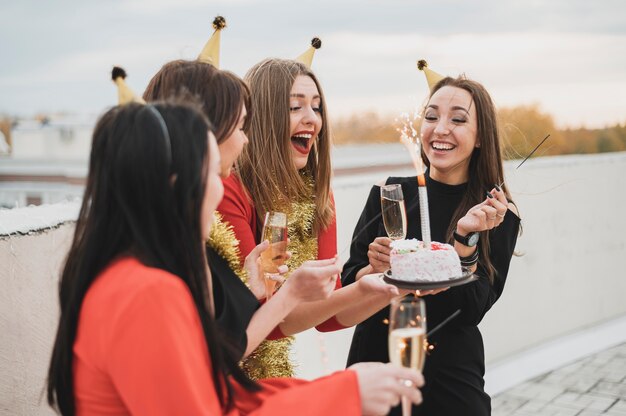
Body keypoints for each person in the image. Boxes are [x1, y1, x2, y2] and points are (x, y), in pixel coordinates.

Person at [46, 101, 424, 415]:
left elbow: (219, 391)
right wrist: (346, 393)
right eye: (213, 171)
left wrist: (342, 387)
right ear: (176, 183)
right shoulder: (146, 291)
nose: (222, 185)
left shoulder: (128, 274)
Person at [219, 54, 414, 379]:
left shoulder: (318, 195)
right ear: (263, 117)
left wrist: (396, 283)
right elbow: (266, 321)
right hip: (226, 369)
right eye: (296, 107)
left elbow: (327, 316)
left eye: (317, 107)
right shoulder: (228, 191)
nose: (312, 119)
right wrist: (365, 287)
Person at [341, 74, 521, 415]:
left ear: (481, 136)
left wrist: (464, 237)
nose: (440, 129)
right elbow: (346, 291)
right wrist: (374, 269)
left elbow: (470, 309)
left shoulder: (495, 214)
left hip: (449, 379)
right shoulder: (389, 194)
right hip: (377, 365)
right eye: (431, 116)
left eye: (458, 119)